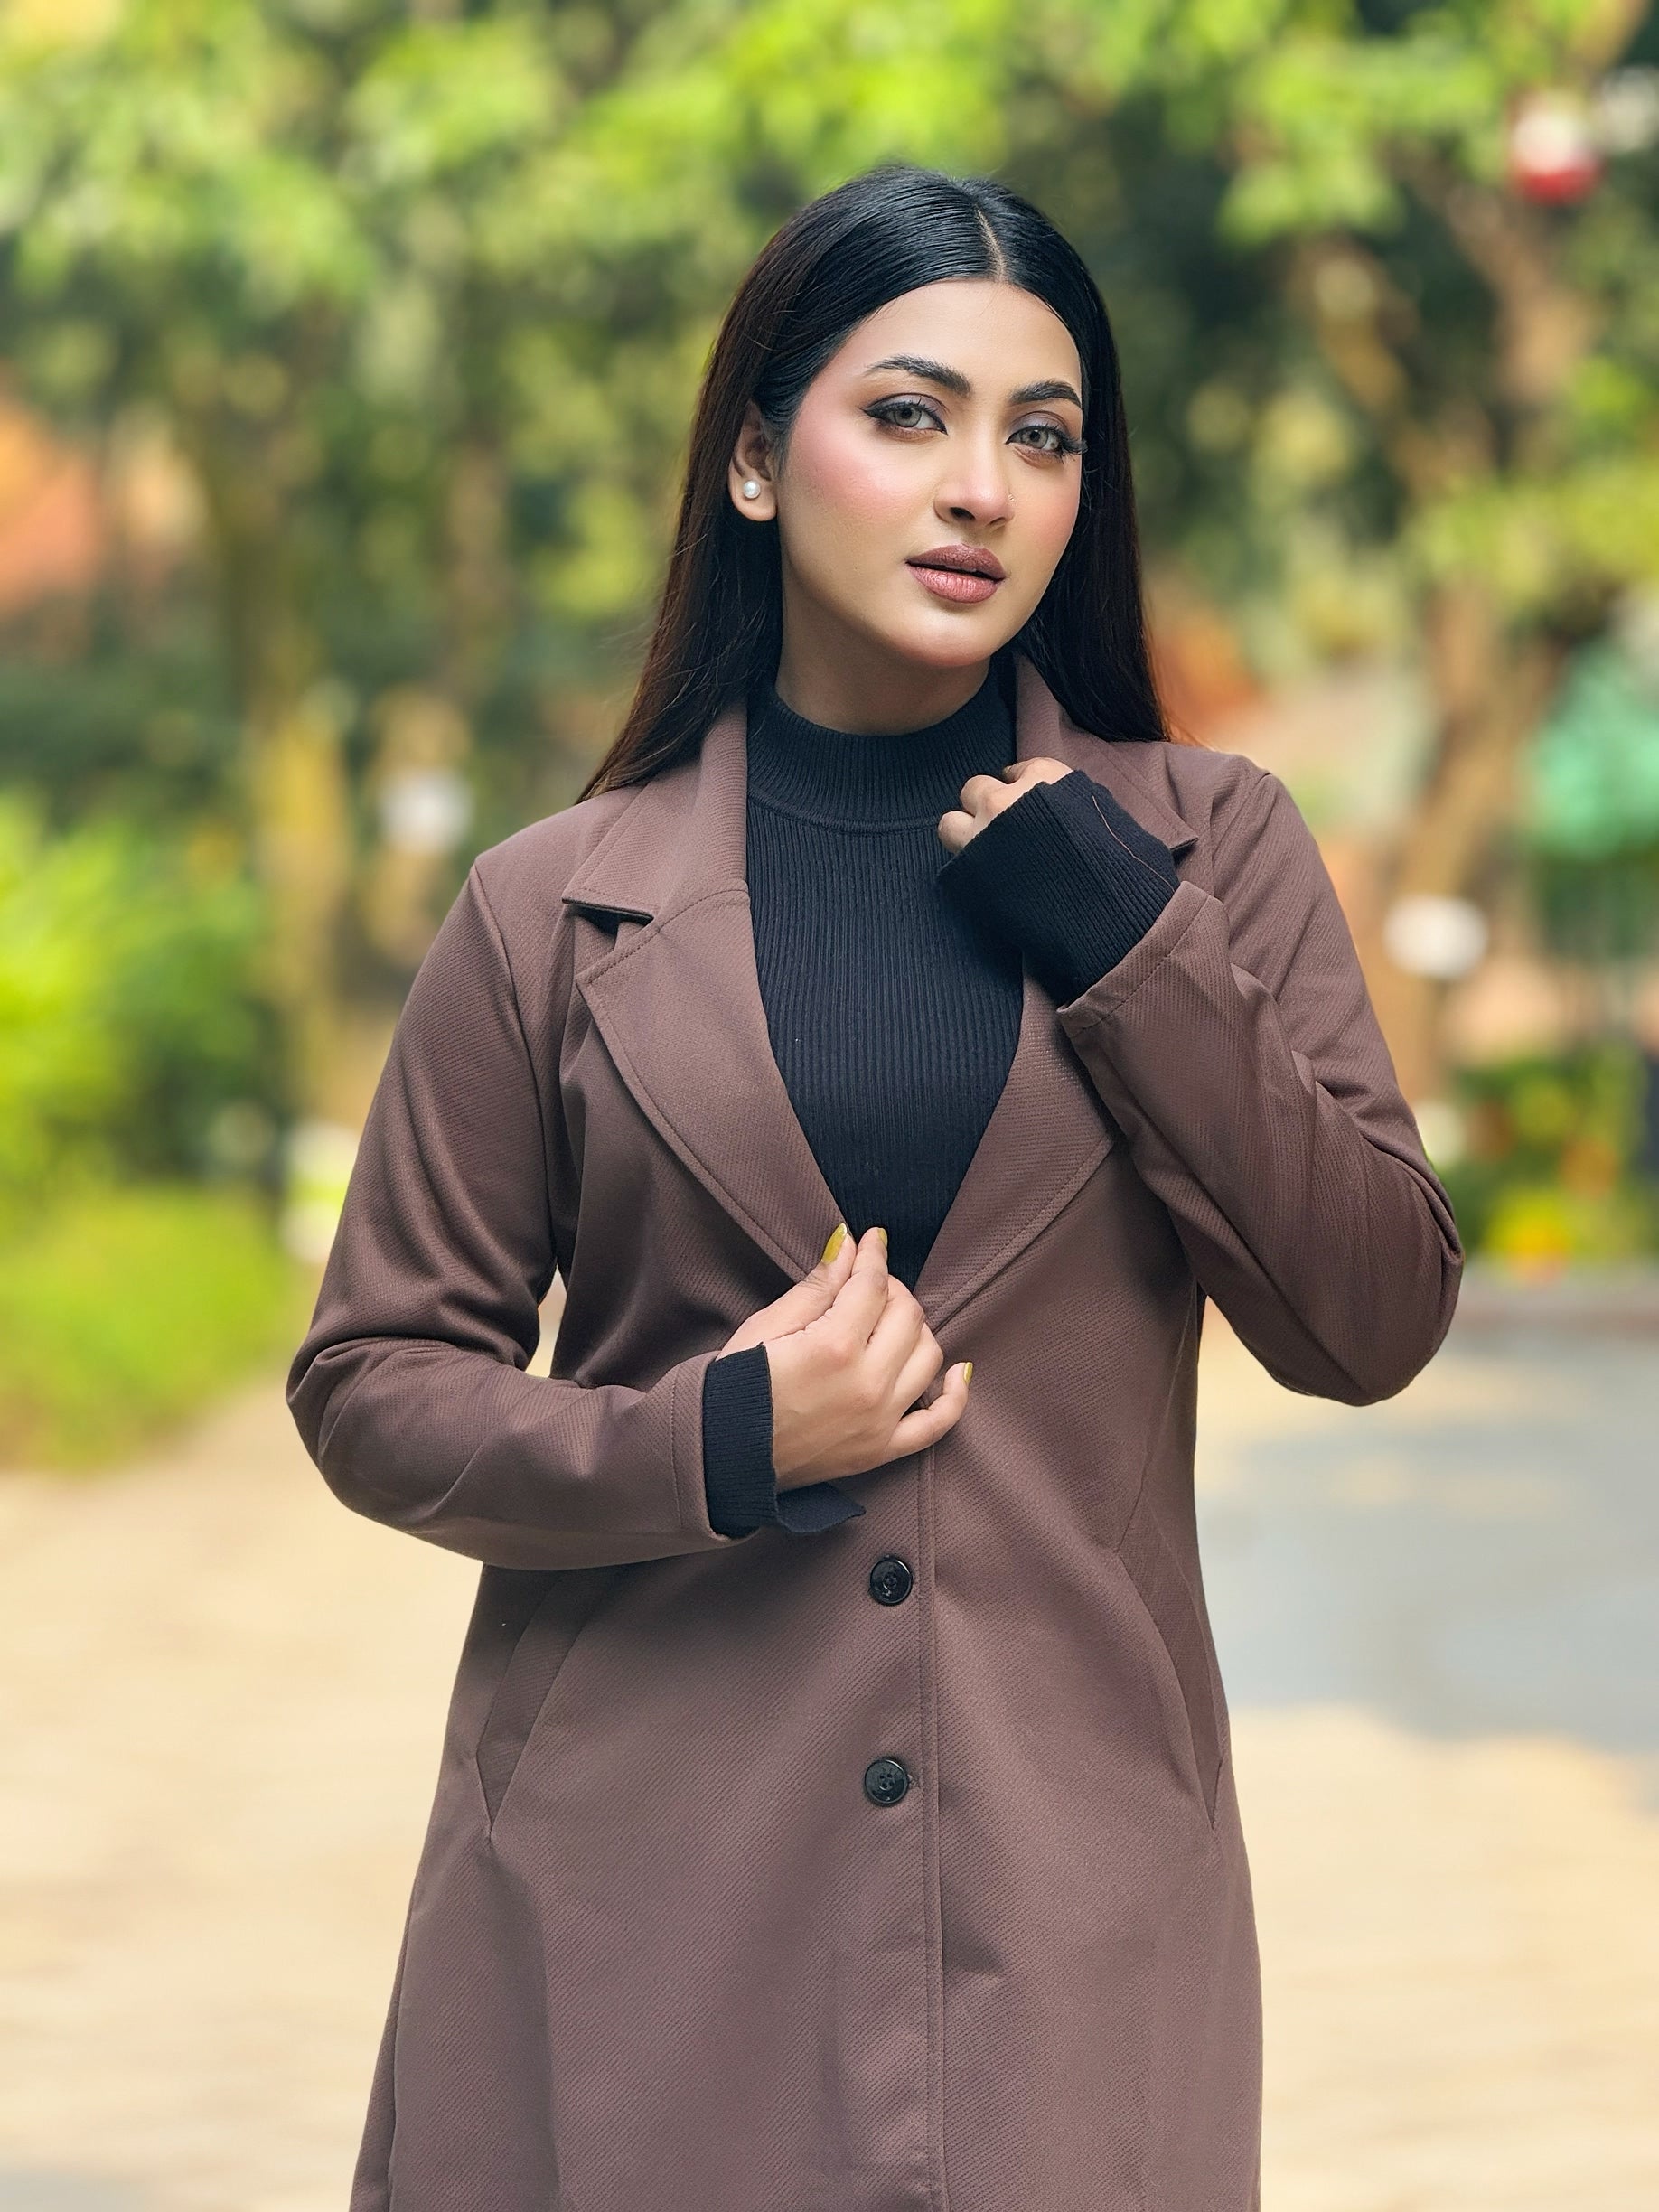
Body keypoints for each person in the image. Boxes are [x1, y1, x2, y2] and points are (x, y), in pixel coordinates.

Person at [287, 163, 1462, 2212]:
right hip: (635, 1885)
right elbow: (376, 1378)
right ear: (755, 460)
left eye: (1044, 434)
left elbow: (1371, 1315)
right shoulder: (552, 908)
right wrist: (713, 1439)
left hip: (1070, 1890)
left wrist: (1123, 937)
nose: (981, 490)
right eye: (907, 414)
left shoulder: (1205, 852)